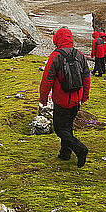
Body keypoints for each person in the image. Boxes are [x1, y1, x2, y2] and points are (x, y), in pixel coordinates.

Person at [40, 27, 90, 167]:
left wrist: (43, 99)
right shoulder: (80, 55)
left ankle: (80, 149)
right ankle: (65, 153)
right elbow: (86, 77)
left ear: (57, 39)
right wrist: (84, 96)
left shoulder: (55, 56)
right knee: (67, 127)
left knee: (60, 129)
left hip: (61, 101)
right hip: (76, 100)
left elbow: (47, 80)